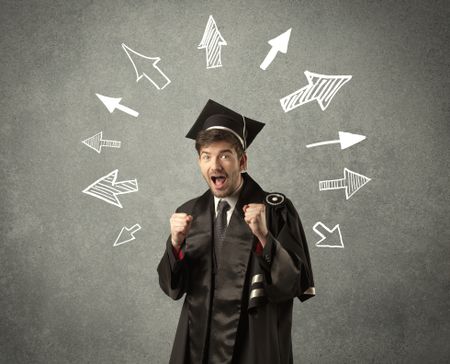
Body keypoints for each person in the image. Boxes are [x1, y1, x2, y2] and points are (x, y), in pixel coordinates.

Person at [157, 99, 315, 364]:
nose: (215, 165)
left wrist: (265, 237)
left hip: (253, 344)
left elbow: (294, 284)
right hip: (198, 344)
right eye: (207, 156)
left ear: (242, 161)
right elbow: (173, 288)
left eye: (225, 155)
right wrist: (174, 244)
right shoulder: (189, 213)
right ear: (199, 161)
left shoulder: (276, 210)